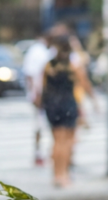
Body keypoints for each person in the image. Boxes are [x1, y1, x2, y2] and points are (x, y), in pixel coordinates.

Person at [39, 36, 97, 187]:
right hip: (67, 104)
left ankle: (56, 174)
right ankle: (63, 174)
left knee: (56, 141)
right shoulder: (73, 66)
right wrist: (94, 101)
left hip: (51, 105)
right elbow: (85, 83)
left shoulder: (48, 66)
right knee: (66, 142)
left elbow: (42, 87)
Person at [22, 32, 53, 166]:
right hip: (40, 94)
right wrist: (34, 94)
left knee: (44, 124)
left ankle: (45, 153)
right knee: (41, 124)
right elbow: (30, 74)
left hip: (46, 94)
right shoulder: (38, 52)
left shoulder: (44, 51)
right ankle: (39, 154)